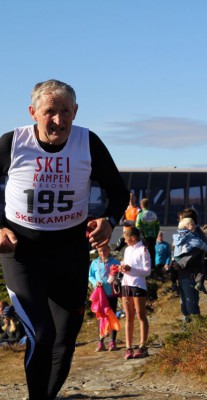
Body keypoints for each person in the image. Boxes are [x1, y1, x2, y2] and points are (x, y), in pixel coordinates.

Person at [0, 79, 129, 399]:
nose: (58, 121)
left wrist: (109, 220)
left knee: (64, 340)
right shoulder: (13, 143)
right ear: (33, 113)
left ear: (76, 111)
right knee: (41, 334)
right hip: (21, 250)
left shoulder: (88, 142)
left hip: (68, 250)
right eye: (50, 112)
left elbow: (119, 192)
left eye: (65, 112)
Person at [167, 213, 207, 328]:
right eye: (190, 224)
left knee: (190, 305)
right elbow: (175, 254)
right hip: (181, 275)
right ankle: (188, 330)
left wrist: (180, 263)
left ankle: (195, 330)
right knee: (184, 305)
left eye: (193, 223)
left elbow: (198, 253)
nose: (193, 225)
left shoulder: (196, 239)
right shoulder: (179, 238)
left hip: (190, 275)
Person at [120, 227, 151, 360]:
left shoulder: (143, 250)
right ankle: (128, 347)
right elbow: (126, 267)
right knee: (129, 316)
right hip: (126, 284)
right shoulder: (127, 250)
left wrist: (131, 269)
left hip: (138, 285)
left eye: (126, 238)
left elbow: (147, 271)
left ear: (133, 238)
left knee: (140, 314)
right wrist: (121, 268)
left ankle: (143, 346)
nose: (125, 241)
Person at [88, 245, 121, 352]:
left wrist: (116, 279)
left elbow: (120, 276)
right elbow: (90, 276)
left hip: (111, 294)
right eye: (100, 251)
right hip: (100, 294)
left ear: (109, 249)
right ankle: (101, 341)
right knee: (101, 316)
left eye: (105, 250)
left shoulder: (115, 262)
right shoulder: (94, 263)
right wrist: (94, 282)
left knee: (112, 316)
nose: (103, 253)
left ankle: (112, 341)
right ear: (98, 251)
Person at [172, 217, 207, 292]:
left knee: (200, 263)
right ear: (186, 226)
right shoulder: (189, 235)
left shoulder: (178, 235)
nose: (194, 225)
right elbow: (199, 244)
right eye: (192, 224)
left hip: (180, 257)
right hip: (184, 257)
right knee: (198, 252)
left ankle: (174, 283)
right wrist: (205, 247)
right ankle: (200, 282)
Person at [135, 198, 160, 271]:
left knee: (143, 251)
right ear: (148, 205)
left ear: (141, 205)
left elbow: (137, 226)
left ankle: (144, 266)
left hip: (144, 236)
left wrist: (140, 235)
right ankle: (153, 266)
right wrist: (155, 235)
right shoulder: (154, 214)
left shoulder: (140, 214)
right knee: (152, 251)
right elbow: (157, 226)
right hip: (153, 236)